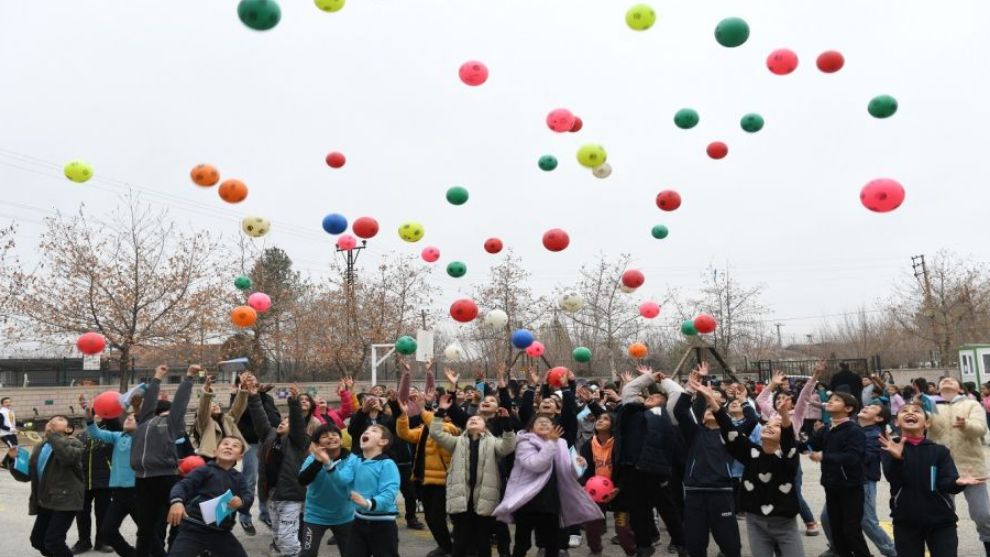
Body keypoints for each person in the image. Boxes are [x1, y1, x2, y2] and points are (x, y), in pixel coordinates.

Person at [701, 382, 805, 557]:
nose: (771, 427)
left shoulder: (787, 459)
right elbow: (730, 433)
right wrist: (712, 401)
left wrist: (784, 415)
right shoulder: (751, 453)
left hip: (785, 524)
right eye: (769, 425)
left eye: (777, 427)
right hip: (755, 522)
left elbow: (789, 444)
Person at [880, 402, 986, 557]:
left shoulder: (939, 451)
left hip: (941, 521)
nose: (910, 413)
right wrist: (898, 459)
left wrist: (957, 483)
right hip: (905, 520)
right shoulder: (891, 447)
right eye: (904, 411)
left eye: (917, 411)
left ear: (927, 423)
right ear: (897, 421)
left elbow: (945, 483)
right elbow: (894, 480)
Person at [493, 415, 604, 557]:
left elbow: (567, 473)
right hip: (527, 501)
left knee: (552, 544)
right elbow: (537, 465)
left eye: (548, 423)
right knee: (522, 543)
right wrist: (551, 443)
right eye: (539, 422)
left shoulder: (561, 443)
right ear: (531, 428)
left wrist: (579, 465)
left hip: (550, 500)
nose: (544, 424)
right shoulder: (524, 443)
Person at [429, 394, 516, 557]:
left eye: (478, 420)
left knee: (483, 540)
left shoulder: (493, 442)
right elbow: (436, 433)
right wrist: (440, 412)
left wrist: (508, 427)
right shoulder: (457, 442)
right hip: (461, 499)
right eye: (471, 419)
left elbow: (508, 446)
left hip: (484, 498)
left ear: (486, 426)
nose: (473, 420)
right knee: (460, 541)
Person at [131, 364, 197, 557]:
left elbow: (180, 403)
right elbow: (150, 400)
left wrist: (189, 378)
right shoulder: (144, 421)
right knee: (144, 529)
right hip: (142, 479)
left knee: (180, 521)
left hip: (166, 477)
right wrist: (157, 376)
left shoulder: (172, 423)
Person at [675, 375, 740, 557]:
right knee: (695, 546)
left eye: (715, 410)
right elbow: (680, 411)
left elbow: (744, 421)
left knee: (731, 545)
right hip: (694, 493)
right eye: (707, 409)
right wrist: (689, 389)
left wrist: (714, 399)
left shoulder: (730, 435)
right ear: (701, 417)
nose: (710, 411)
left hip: (722, 492)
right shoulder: (695, 433)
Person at [821, 403, 896, 557]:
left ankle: (893, 551)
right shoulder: (853, 428)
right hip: (843, 482)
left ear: (879, 418)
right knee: (828, 517)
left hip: (864, 482)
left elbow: (864, 457)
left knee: (866, 520)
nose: (867, 406)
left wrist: (845, 452)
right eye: (866, 405)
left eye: (872, 408)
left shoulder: (876, 435)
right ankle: (838, 547)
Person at [927, 376, 990, 555]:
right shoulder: (931, 406)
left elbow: (980, 429)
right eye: (943, 380)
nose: (947, 381)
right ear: (938, 388)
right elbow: (922, 428)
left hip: (971, 467)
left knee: (983, 514)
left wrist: (965, 424)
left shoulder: (971, 404)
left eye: (951, 380)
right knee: (943, 514)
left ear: (960, 389)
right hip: (941, 469)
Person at [10, 414, 85, 557]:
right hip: (46, 500)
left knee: (53, 541)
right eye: (52, 420)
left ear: (68, 429)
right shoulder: (40, 446)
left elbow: (67, 457)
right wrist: (14, 461)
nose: (53, 421)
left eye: (60, 420)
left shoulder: (74, 443)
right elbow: (27, 476)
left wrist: (53, 435)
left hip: (66, 500)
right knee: (38, 540)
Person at [396, 393, 461, 557]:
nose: (438, 414)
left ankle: (451, 548)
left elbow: (437, 427)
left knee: (438, 518)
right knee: (430, 518)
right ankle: (445, 546)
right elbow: (405, 434)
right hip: (424, 480)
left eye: (442, 412)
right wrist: (403, 415)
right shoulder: (425, 428)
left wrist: (422, 409)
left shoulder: (452, 428)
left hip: (442, 481)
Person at [807, 392, 871, 557]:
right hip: (831, 484)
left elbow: (853, 457)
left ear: (848, 408)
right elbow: (808, 445)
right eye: (830, 399)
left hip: (850, 486)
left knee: (851, 530)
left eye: (836, 400)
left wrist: (823, 457)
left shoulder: (854, 430)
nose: (830, 402)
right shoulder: (826, 429)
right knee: (836, 530)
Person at [249, 382, 309, 557]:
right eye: (282, 420)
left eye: (287, 421)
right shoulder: (270, 437)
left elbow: (298, 423)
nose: (283, 422)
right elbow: (260, 419)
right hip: (272, 494)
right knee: (277, 535)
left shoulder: (299, 441)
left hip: (291, 495)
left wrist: (294, 403)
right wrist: (253, 397)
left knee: (286, 537)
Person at [166, 437, 252, 557]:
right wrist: (177, 502)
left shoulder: (239, 478)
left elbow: (248, 496)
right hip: (193, 529)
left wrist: (241, 502)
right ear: (215, 452)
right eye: (225, 444)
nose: (229, 447)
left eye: (235, 446)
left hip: (221, 532)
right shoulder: (203, 470)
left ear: (240, 457)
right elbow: (182, 486)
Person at [84, 404, 139, 557]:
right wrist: (89, 418)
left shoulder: (143, 439)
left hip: (138, 492)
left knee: (147, 531)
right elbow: (96, 433)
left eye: (133, 418)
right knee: (107, 531)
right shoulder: (117, 436)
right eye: (128, 416)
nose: (129, 418)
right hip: (119, 494)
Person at [578, 412, 636, 557]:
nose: (600, 421)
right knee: (591, 526)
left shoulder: (619, 444)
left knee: (622, 528)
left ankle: (632, 552)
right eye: (599, 418)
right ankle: (596, 550)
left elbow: (626, 469)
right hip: (595, 492)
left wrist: (619, 488)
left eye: (605, 419)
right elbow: (584, 469)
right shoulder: (588, 444)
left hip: (618, 493)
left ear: (613, 425)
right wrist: (585, 484)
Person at [299, 423, 358, 557]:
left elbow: (345, 481)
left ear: (341, 440)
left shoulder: (351, 459)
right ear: (318, 442)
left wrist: (328, 463)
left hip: (345, 515)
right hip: (315, 515)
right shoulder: (312, 459)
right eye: (325, 436)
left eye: (334, 435)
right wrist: (318, 461)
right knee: (308, 553)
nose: (331, 438)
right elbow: (302, 480)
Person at [231, 371, 280, 533]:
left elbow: (274, 419)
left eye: (252, 376)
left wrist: (262, 395)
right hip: (251, 442)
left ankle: (265, 513)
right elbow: (241, 414)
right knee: (249, 479)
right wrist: (248, 393)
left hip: (268, 442)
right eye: (246, 378)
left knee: (266, 480)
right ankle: (245, 517)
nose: (251, 379)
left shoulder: (267, 397)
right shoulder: (239, 396)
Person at [346, 424, 402, 557]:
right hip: (359, 521)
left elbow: (389, 493)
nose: (367, 432)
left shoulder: (387, 464)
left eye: (373, 431)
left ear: (383, 441)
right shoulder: (354, 461)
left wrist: (368, 503)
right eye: (365, 430)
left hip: (383, 523)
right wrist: (328, 465)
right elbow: (343, 480)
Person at [73, 394, 115, 554]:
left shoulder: (110, 433)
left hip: (104, 481)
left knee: (103, 513)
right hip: (83, 481)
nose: (94, 416)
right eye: (92, 414)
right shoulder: (81, 435)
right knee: (82, 514)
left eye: (98, 414)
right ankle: (83, 541)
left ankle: (101, 541)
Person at [194, 374, 247, 460]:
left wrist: (243, 391)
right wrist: (207, 389)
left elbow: (238, 408)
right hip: (210, 458)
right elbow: (203, 408)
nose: (215, 406)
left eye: (216, 404)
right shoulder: (204, 422)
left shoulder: (226, 419)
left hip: (228, 457)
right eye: (211, 405)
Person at [0, 396, 18, 470]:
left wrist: (24, 424)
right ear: (2, 404)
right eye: (6, 402)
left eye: (9, 402)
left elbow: (13, 422)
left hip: (12, 433)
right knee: (12, 448)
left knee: (15, 448)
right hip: (4, 434)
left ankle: (5, 463)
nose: (8, 403)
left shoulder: (11, 412)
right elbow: (1, 425)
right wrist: (11, 429)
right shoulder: (1, 413)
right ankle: (7, 463)